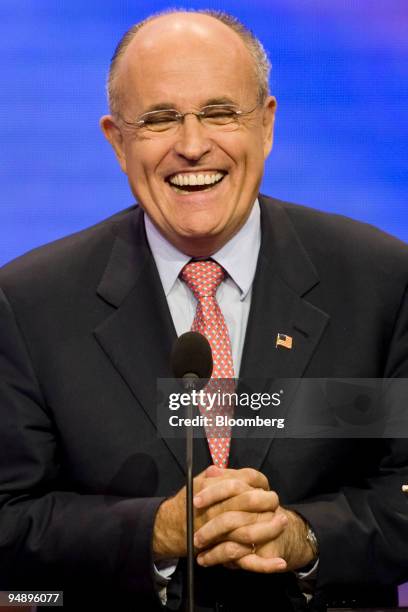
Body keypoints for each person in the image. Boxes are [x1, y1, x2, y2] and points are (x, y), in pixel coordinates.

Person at [0, 9, 407, 612]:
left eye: (221, 113)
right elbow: (10, 520)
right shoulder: (29, 302)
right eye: (160, 119)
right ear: (117, 141)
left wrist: (305, 536)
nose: (193, 146)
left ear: (266, 125)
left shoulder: (380, 278)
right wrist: (154, 532)